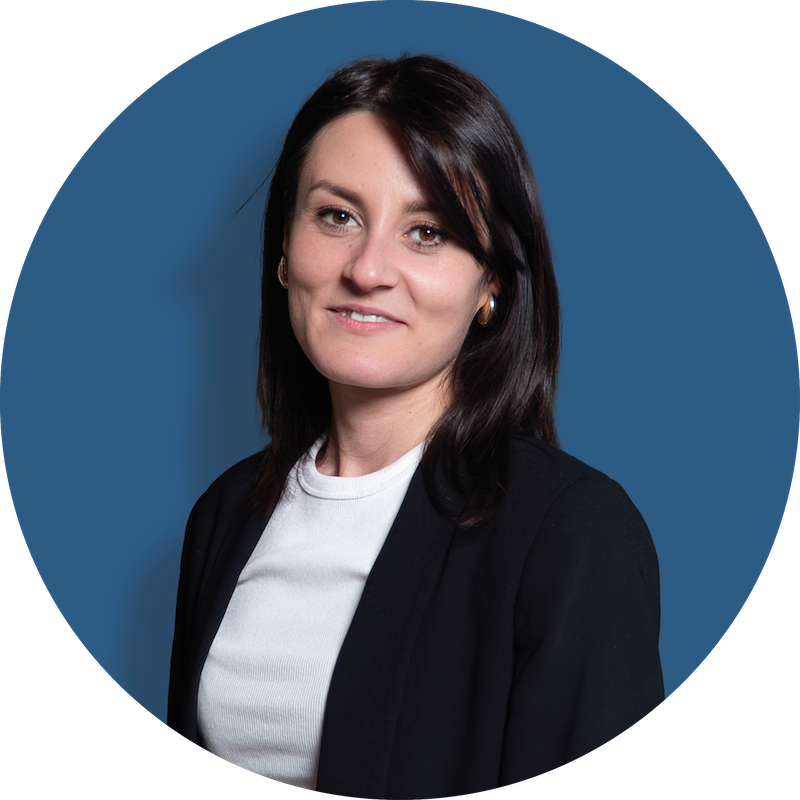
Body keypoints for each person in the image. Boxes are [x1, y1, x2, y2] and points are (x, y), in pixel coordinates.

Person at [168, 54, 664, 797]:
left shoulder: (571, 532)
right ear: (283, 250)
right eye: (337, 216)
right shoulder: (224, 515)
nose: (367, 270)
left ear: (491, 284)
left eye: (427, 232)